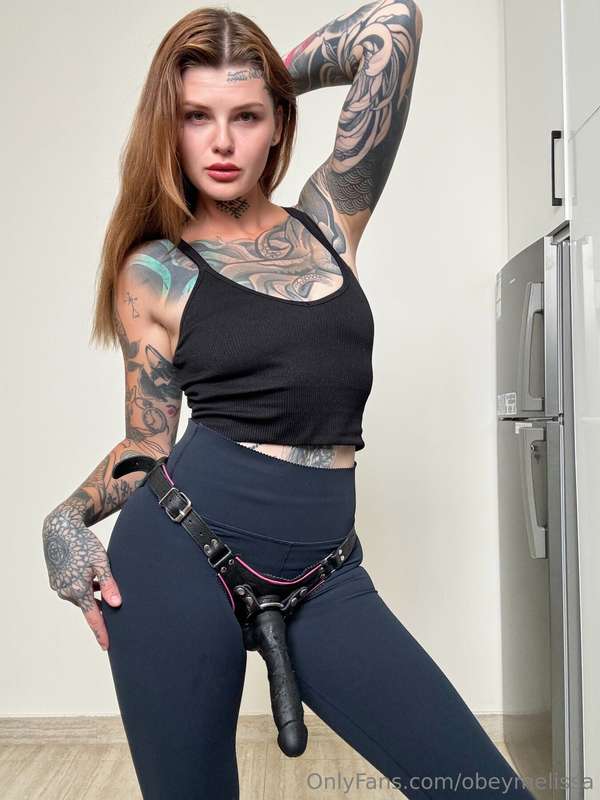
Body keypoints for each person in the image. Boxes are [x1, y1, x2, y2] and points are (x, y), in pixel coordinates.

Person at [42, 5, 537, 799]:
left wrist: (276, 79)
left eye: (246, 116)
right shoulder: (156, 270)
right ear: (169, 128)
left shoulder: (329, 219)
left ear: (276, 123)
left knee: (485, 790)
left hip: (324, 570)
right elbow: (147, 446)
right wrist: (65, 518)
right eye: (196, 116)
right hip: (178, 555)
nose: (222, 141)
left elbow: (393, 28)